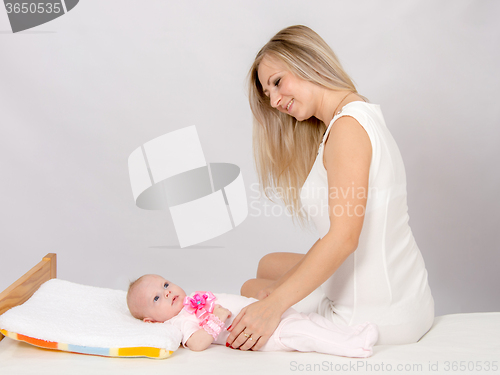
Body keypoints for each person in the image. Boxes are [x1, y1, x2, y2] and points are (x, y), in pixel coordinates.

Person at [226, 25, 434, 350]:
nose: (276, 100)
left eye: (277, 82)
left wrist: (273, 305)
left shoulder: (347, 129)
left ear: (308, 61)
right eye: (268, 94)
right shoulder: (358, 113)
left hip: (377, 315)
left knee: (251, 287)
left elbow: (344, 237)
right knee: (268, 264)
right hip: (409, 297)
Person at [126, 274, 378, 357]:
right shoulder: (180, 321)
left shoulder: (191, 300)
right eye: (157, 298)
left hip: (269, 312)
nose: (167, 293)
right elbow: (197, 343)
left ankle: (351, 332)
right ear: (151, 320)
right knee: (305, 334)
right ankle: (355, 346)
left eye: (166, 285)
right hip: (266, 334)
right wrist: (217, 320)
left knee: (312, 321)